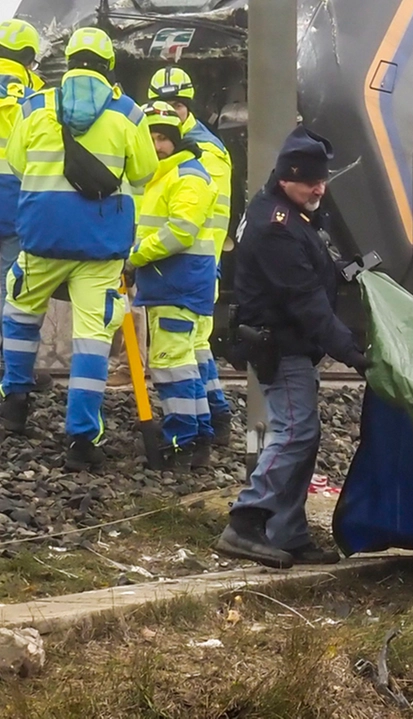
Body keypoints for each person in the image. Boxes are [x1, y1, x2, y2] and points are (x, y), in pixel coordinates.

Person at [0, 27, 158, 471]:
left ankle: (14, 401)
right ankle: (81, 439)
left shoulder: (34, 106)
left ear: (67, 62)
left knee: (21, 312)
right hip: (100, 247)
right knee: (91, 337)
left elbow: (15, 160)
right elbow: (145, 171)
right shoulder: (128, 113)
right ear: (109, 66)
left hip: (41, 238)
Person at [214, 125, 369, 569]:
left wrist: (347, 271)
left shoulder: (289, 213)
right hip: (280, 346)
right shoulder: (275, 226)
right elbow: (306, 303)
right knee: (294, 432)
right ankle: (245, 521)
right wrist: (352, 353)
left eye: (323, 179)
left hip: (289, 344)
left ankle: (287, 533)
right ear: (287, 177)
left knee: (305, 433)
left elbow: (313, 276)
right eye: (311, 181)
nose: (321, 187)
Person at [128, 101, 218, 470]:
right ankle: (197, 438)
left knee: (169, 365)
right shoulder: (167, 174)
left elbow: (180, 232)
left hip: (177, 283)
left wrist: (135, 257)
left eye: (163, 137)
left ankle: (180, 442)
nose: (155, 144)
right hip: (175, 283)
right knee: (183, 364)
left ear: (177, 140)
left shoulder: (187, 176)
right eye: (149, 136)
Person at [147, 65, 234, 445]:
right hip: (191, 264)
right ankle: (214, 418)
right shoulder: (178, 145)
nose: (170, 110)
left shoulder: (202, 152)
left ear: (188, 106)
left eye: (177, 105)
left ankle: (194, 433)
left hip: (192, 264)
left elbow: (193, 217)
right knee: (193, 349)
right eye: (163, 103)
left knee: (180, 353)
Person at [0, 19, 50, 393]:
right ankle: (13, 368)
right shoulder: (33, 91)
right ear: (31, 58)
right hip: (15, 195)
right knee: (13, 285)